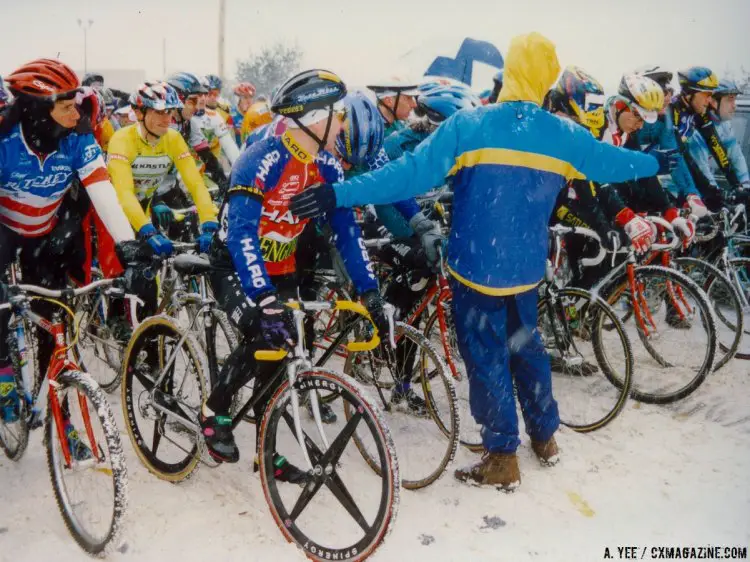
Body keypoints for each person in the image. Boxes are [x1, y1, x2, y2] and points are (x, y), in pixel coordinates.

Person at [290, 32, 661, 491]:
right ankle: (546, 437)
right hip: (526, 269)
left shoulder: (470, 125)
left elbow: (404, 176)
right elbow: (611, 163)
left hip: (476, 268)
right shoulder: (565, 135)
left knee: (486, 358)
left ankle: (502, 454)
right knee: (526, 347)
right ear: (546, 76)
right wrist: (651, 164)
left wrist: (338, 192)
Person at [202, 69, 387, 475]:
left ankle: (265, 452)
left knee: (282, 347)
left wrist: (369, 291)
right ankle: (214, 410)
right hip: (235, 263)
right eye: (337, 115)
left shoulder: (330, 169)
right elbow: (243, 236)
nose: (343, 123)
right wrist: (264, 297)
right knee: (261, 329)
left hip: (281, 264)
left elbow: (348, 235)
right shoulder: (260, 158)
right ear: (315, 118)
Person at [0, 59, 134, 456]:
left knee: (56, 326)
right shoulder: (6, 139)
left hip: (49, 235)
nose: (77, 113)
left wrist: (127, 248)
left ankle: (60, 418)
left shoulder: (78, 137)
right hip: (4, 232)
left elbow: (102, 190)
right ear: (38, 109)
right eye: (66, 106)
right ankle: (4, 371)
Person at [107, 82, 218, 290]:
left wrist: (209, 223)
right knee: (126, 278)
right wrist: (148, 232)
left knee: (150, 279)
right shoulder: (121, 139)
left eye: (169, 111)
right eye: (159, 112)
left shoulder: (173, 138)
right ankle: (117, 320)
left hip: (143, 207)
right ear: (139, 113)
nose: (167, 119)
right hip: (114, 211)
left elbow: (195, 184)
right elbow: (124, 193)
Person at [636, 66, 718, 213]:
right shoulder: (630, 119)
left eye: (670, 90)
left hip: (647, 184)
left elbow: (675, 157)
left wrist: (691, 194)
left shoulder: (665, 121)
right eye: (663, 90)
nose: (668, 96)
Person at [166, 71, 231, 193]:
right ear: (178, 99)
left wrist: (223, 182)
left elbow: (207, 157)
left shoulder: (189, 123)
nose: (197, 107)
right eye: (193, 101)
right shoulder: (161, 125)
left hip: (170, 185)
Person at [687, 78, 750, 201]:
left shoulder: (724, 125)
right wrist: (718, 196)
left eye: (735, 99)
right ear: (714, 102)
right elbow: (702, 169)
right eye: (730, 100)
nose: (734, 105)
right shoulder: (697, 130)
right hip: (682, 192)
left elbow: (736, 156)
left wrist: (746, 185)